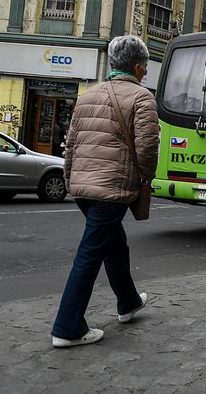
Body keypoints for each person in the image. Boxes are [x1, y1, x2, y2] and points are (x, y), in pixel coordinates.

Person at [50, 35, 158, 348]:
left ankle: (128, 301)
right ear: (138, 67)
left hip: (83, 187)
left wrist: (70, 180)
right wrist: (145, 178)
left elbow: (70, 144)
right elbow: (148, 147)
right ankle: (67, 327)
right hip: (111, 188)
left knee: (114, 243)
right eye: (145, 67)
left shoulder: (86, 96)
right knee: (90, 254)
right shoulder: (141, 98)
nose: (145, 73)